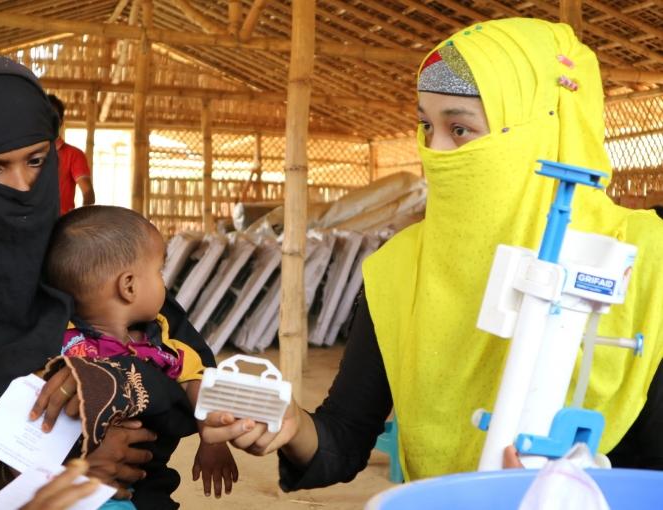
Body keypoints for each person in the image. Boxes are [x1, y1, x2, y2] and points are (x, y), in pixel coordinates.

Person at [201, 17, 663, 487]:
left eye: (459, 129)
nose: (434, 151)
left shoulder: (647, 263)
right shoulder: (401, 271)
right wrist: (294, 425)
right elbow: (343, 436)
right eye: (426, 126)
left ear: (539, 134)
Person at [0, 54, 215, 507]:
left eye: (36, 160)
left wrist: (113, 377)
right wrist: (45, 465)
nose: (23, 188)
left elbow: (196, 373)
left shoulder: (78, 255)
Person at [40, 205, 238, 502]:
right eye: (159, 271)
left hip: (142, 482)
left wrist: (213, 441)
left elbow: (198, 381)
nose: (164, 283)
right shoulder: (59, 344)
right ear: (128, 286)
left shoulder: (162, 344)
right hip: (71, 483)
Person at [47, 94, 95, 215]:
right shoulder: (26, 154)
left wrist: (80, 220)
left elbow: (88, 192)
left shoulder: (74, 155)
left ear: (61, 122)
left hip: (60, 225)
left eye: (53, 117)